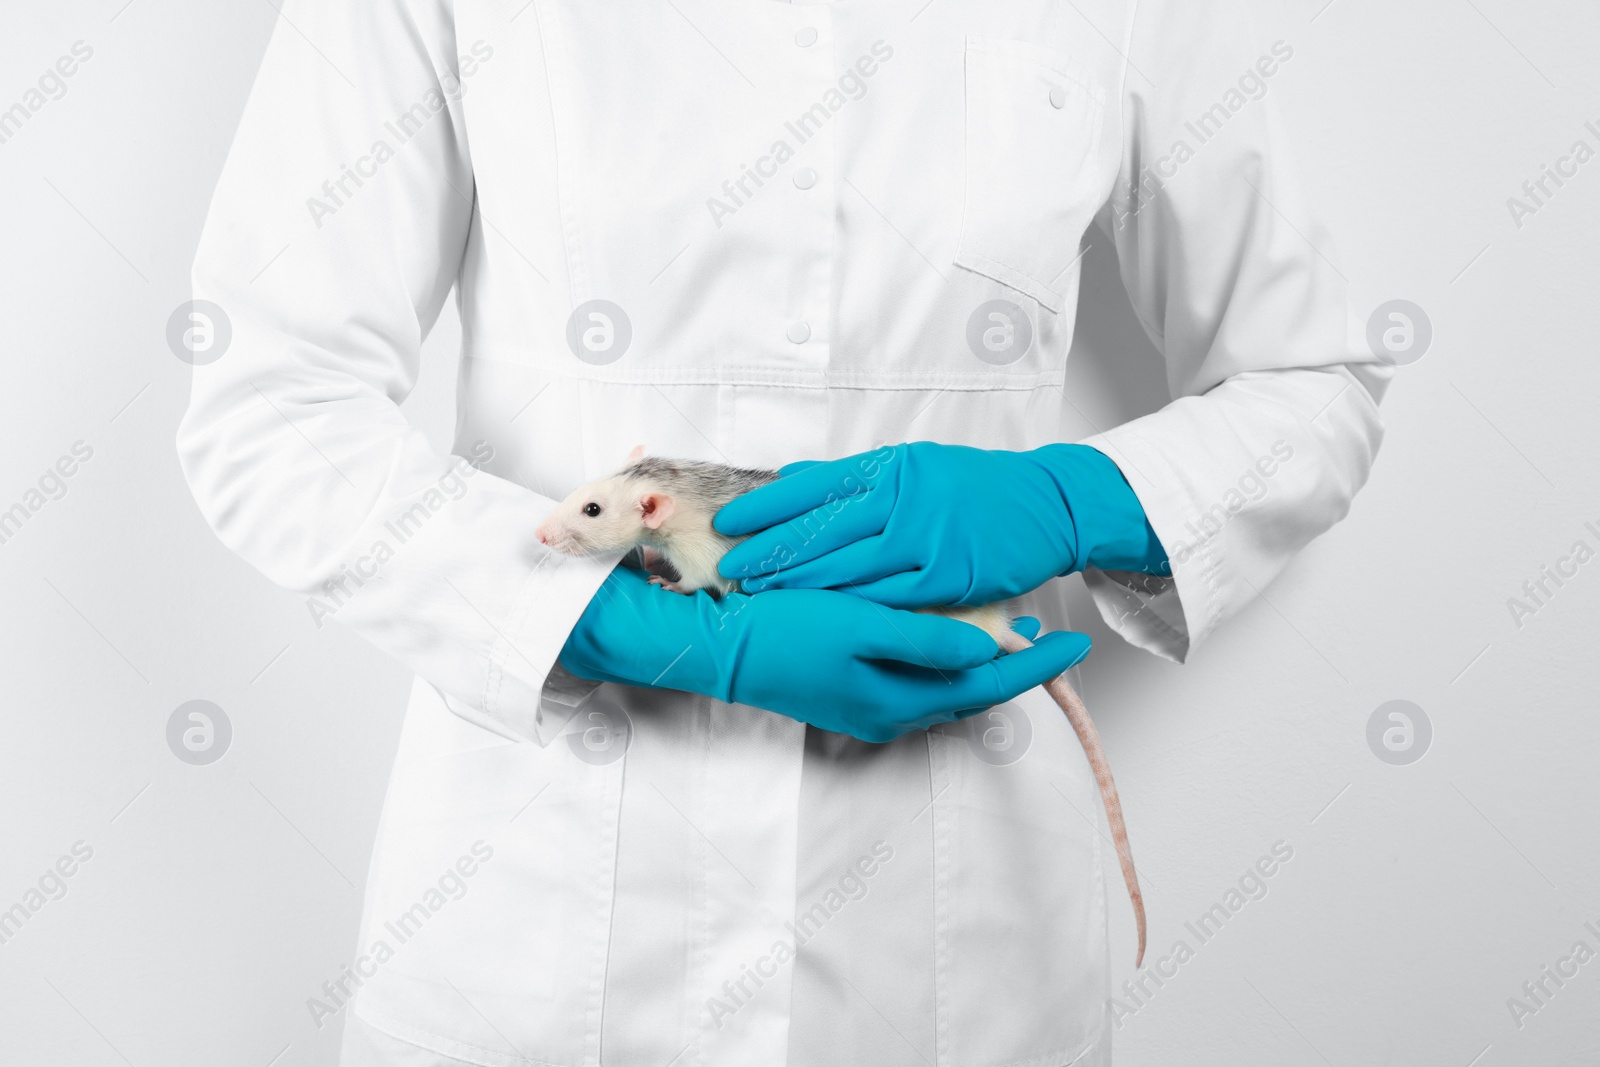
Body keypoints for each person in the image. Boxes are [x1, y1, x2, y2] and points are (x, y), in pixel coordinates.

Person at [178, 0, 1388, 1063]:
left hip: (960, 929)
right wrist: (645, 627)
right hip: (542, 911)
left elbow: (1314, 376)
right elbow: (268, 404)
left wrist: (1075, 498)